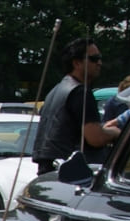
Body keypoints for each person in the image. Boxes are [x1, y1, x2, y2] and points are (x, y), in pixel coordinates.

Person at [32, 37, 121, 175]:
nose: (99, 63)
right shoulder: (80, 92)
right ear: (77, 63)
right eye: (94, 58)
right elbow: (95, 138)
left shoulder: (55, 91)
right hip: (71, 174)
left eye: (100, 58)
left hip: (49, 171)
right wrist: (115, 132)